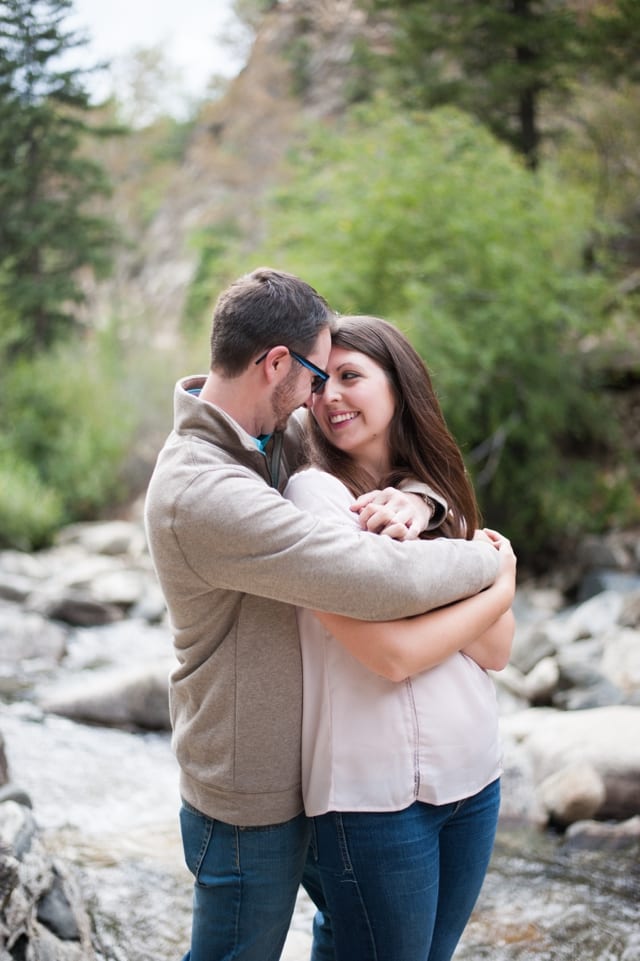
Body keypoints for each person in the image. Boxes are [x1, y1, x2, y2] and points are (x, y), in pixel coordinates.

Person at [143, 268, 509, 961]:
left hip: (314, 771)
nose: (321, 398)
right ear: (275, 364)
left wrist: (429, 501)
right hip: (251, 790)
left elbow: (379, 450)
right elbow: (370, 578)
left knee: (349, 933)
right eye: (315, 376)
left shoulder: (269, 433)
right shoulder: (202, 488)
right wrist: (492, 560)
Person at [284, 314, 517, 961]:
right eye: (319, 383)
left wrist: (439, 526)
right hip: (373, 800)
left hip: (473, 779)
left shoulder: (437, 495)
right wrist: (500, 581)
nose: (330, 395)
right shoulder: (314, 500)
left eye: (350, 376)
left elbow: (497, 651)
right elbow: (390, 655)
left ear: (400, 385)